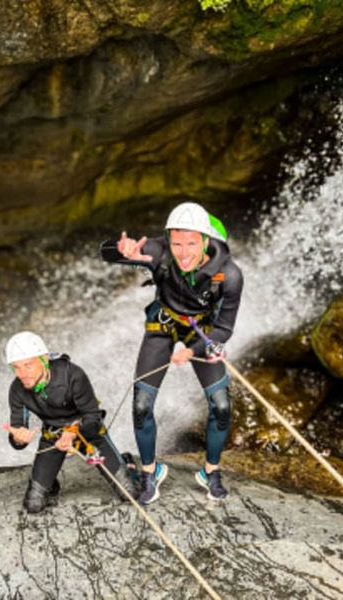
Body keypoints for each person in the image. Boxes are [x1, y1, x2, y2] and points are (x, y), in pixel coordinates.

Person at [100, 202, 244, 503]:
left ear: (205, 241)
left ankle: (211, 472)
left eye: (191, 244)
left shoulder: (230, 275)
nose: (183, 252)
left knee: (221, 406)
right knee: (141, 406)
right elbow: (106, 252)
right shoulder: (159, 251)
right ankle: (150, 472)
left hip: (203, 331)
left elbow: (224, 329)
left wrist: (192, 351)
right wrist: (121, 250)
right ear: (168, 240)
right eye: (177, 243)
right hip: (163, 324)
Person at [3, 331, 139, 513]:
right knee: (33, 505)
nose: (22, 374)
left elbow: (93, 416)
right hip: (53, 437)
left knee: (129, 493)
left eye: (28, 365)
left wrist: (73, 431)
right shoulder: (17, 389)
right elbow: (17, 431)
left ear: (44, 359)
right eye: (16, 367)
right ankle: (49, 482)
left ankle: (125, 462)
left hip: (88, 433)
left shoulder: (72, 374)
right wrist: (19, 439)